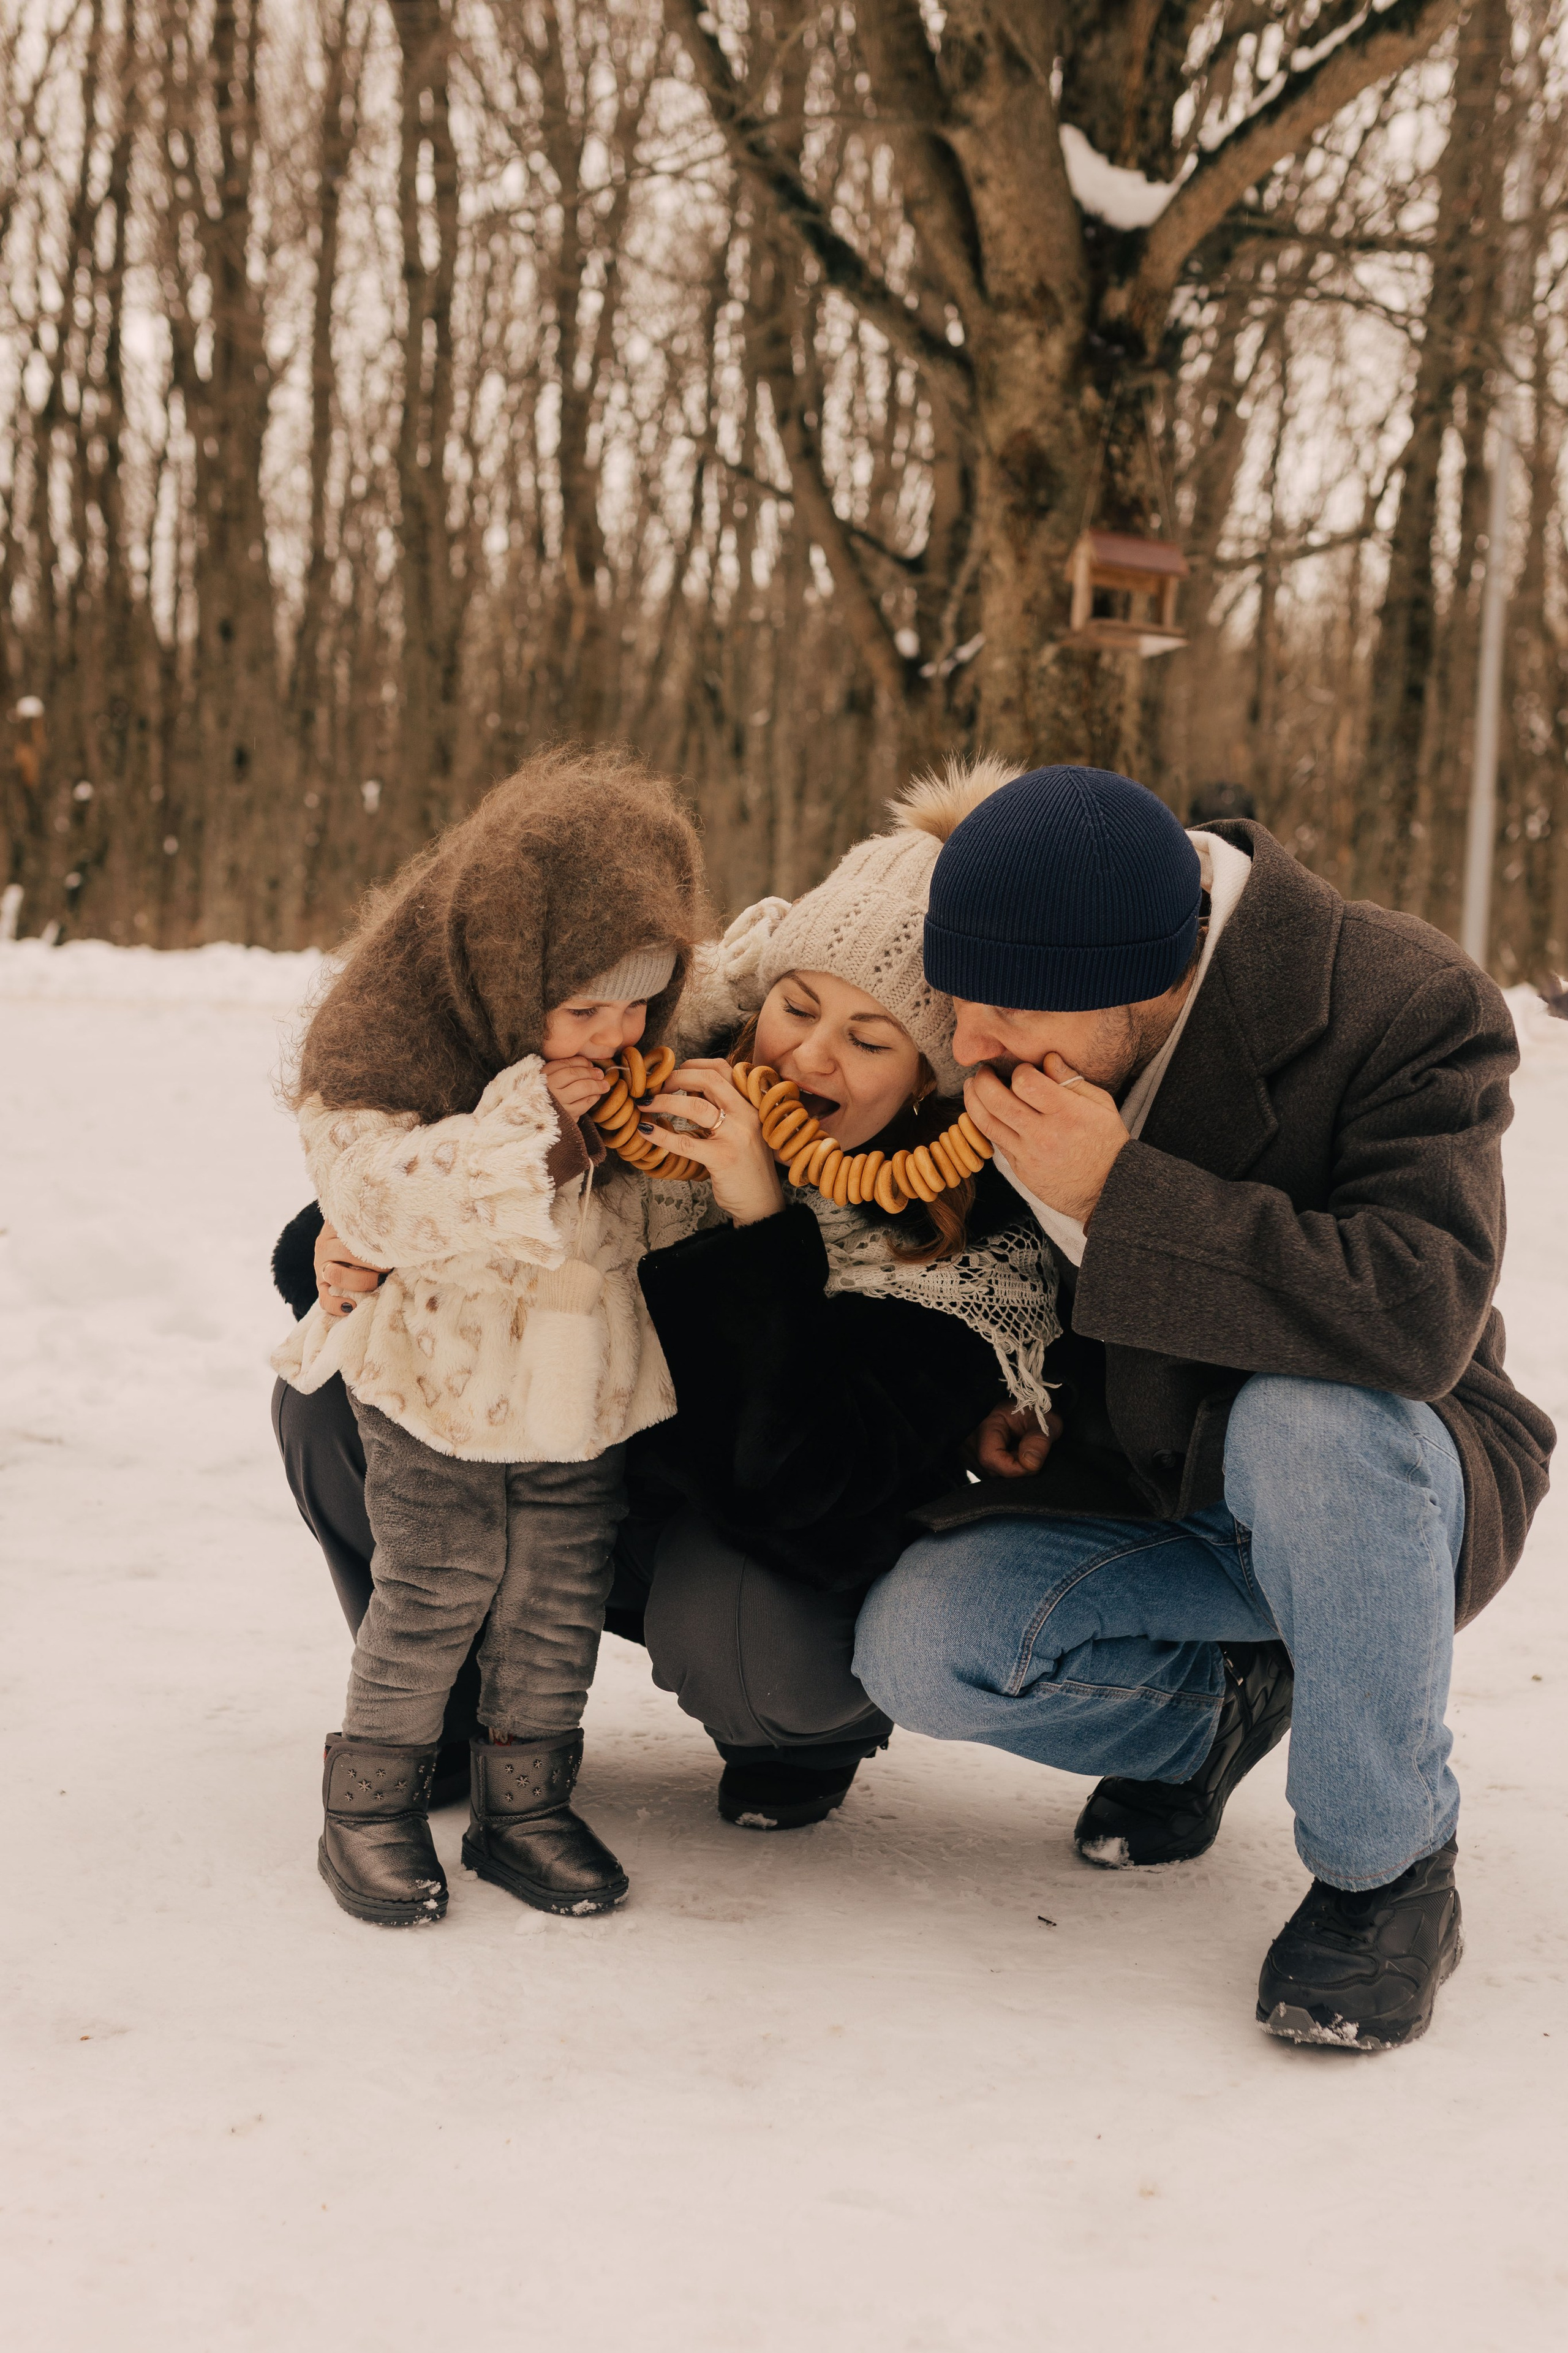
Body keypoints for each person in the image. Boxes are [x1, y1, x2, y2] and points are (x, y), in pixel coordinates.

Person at [852, 761, 1555, 2051]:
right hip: (1161, 1487)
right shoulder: (1032, 1006)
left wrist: (1122, 1194)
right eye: (961, 1008)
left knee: (1308, 1417)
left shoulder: (1403, 1003)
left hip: (1388, 1475)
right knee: (917, 1645)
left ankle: (1383, 1871)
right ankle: (1222, 1711)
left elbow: (1416, 1315)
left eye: (1001, 1014)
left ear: (1145, 984)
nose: (971, 1048)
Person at [272, 760, 1061, 1834]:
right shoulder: (665, 1051)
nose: (808, 1054)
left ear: (934, 1079)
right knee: (334, 1396)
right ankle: (444, 1700)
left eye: (871, 1040)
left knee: (732, 1608)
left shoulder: (965, 1236)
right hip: (589, 1480)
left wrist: (758, 1218)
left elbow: (795, 1480)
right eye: (797, 1004)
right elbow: (400, 1215)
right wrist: (343, 1239)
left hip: (760, 1539)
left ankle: (796, 1734)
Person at [273, 746, 707, 1928]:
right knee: (440, 1577)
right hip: (435, 1377)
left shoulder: (638, 1058)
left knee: (558, 1588)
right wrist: (527, 1116)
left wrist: (682, 1154)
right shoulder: (389, 1037)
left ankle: (527, 1805)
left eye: (639, 1008)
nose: (611, 1038)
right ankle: (370, 1797)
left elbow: (649, 1222)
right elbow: (368, 1197)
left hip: (580, 1378)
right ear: (512, 978)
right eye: (581, 1009)